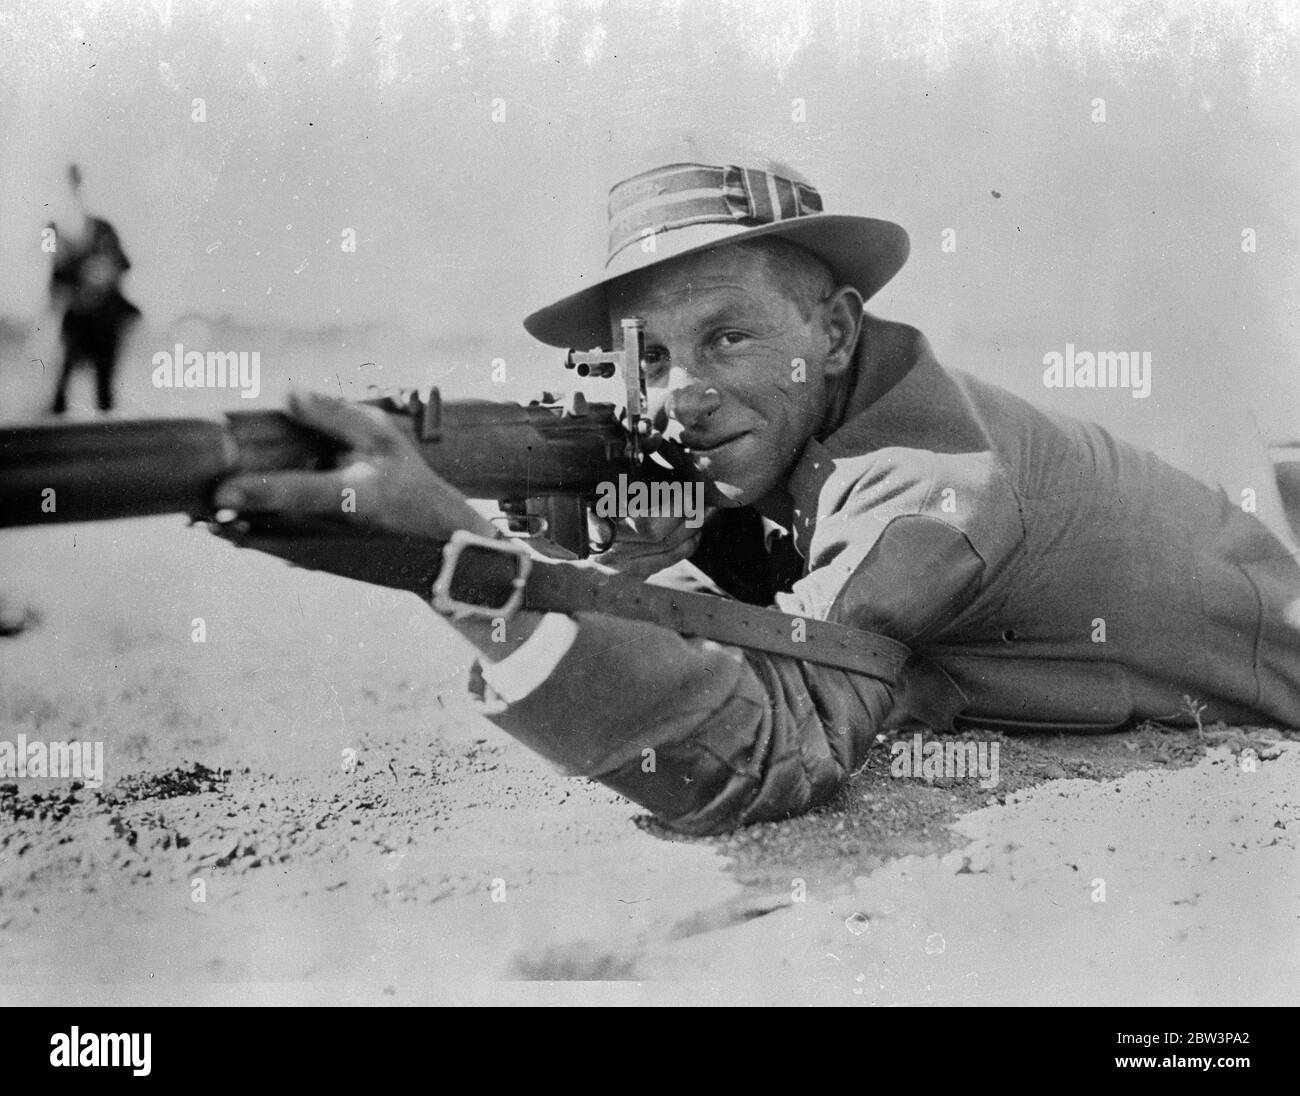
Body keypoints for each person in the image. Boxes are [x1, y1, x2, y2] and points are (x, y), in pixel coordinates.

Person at [208, 146, 1300, 835]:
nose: (678, 394)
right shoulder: (774, 439)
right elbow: (743, 625)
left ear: (830, 332)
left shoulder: (918, 490)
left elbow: (765, 756)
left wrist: (460, 568)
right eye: (648, 353)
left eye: (727, 335)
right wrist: (620, 561)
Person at [47, 164, 140, 415]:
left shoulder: (102, 227)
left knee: (105, 386)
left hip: (105, 319)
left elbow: (124, 263)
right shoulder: (53, 229)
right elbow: (54, 277)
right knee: (61, 384)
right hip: (77, 318)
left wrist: (103, 270)